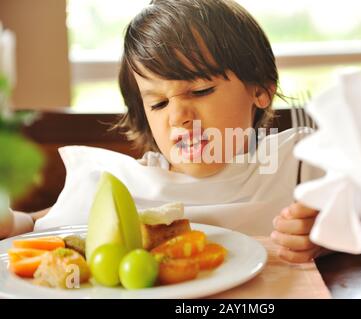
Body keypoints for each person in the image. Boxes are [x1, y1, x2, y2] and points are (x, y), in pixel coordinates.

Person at [1, 0, 324, 263]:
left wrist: (325, 237)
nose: (178, 117)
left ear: (260, 90)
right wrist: (16, 221)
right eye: (158, 104)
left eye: (200, 91)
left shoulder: (297, 164)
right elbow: (47, 224)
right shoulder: (124, 185)